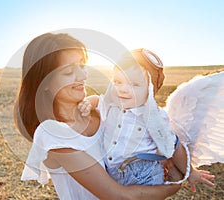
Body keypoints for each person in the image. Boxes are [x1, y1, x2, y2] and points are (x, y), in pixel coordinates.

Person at [14, 32, 183, 199]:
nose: (83, 76)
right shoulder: (52, 133)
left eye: (82, 66)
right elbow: (120, 197)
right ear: (44, 82)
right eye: (68, 72)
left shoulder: (106, 113)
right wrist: (173, 187)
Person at [78, 49, 215, 192]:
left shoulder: (153, 117)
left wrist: (191, 172)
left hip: (143, 175)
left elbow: (174, 146)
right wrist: (89, 102)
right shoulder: (111, 106)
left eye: (134, 85)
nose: (123, 89)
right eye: (118, 82)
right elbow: (98, 100)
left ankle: (173, 170)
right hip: (113, 174)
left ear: (150, 90)